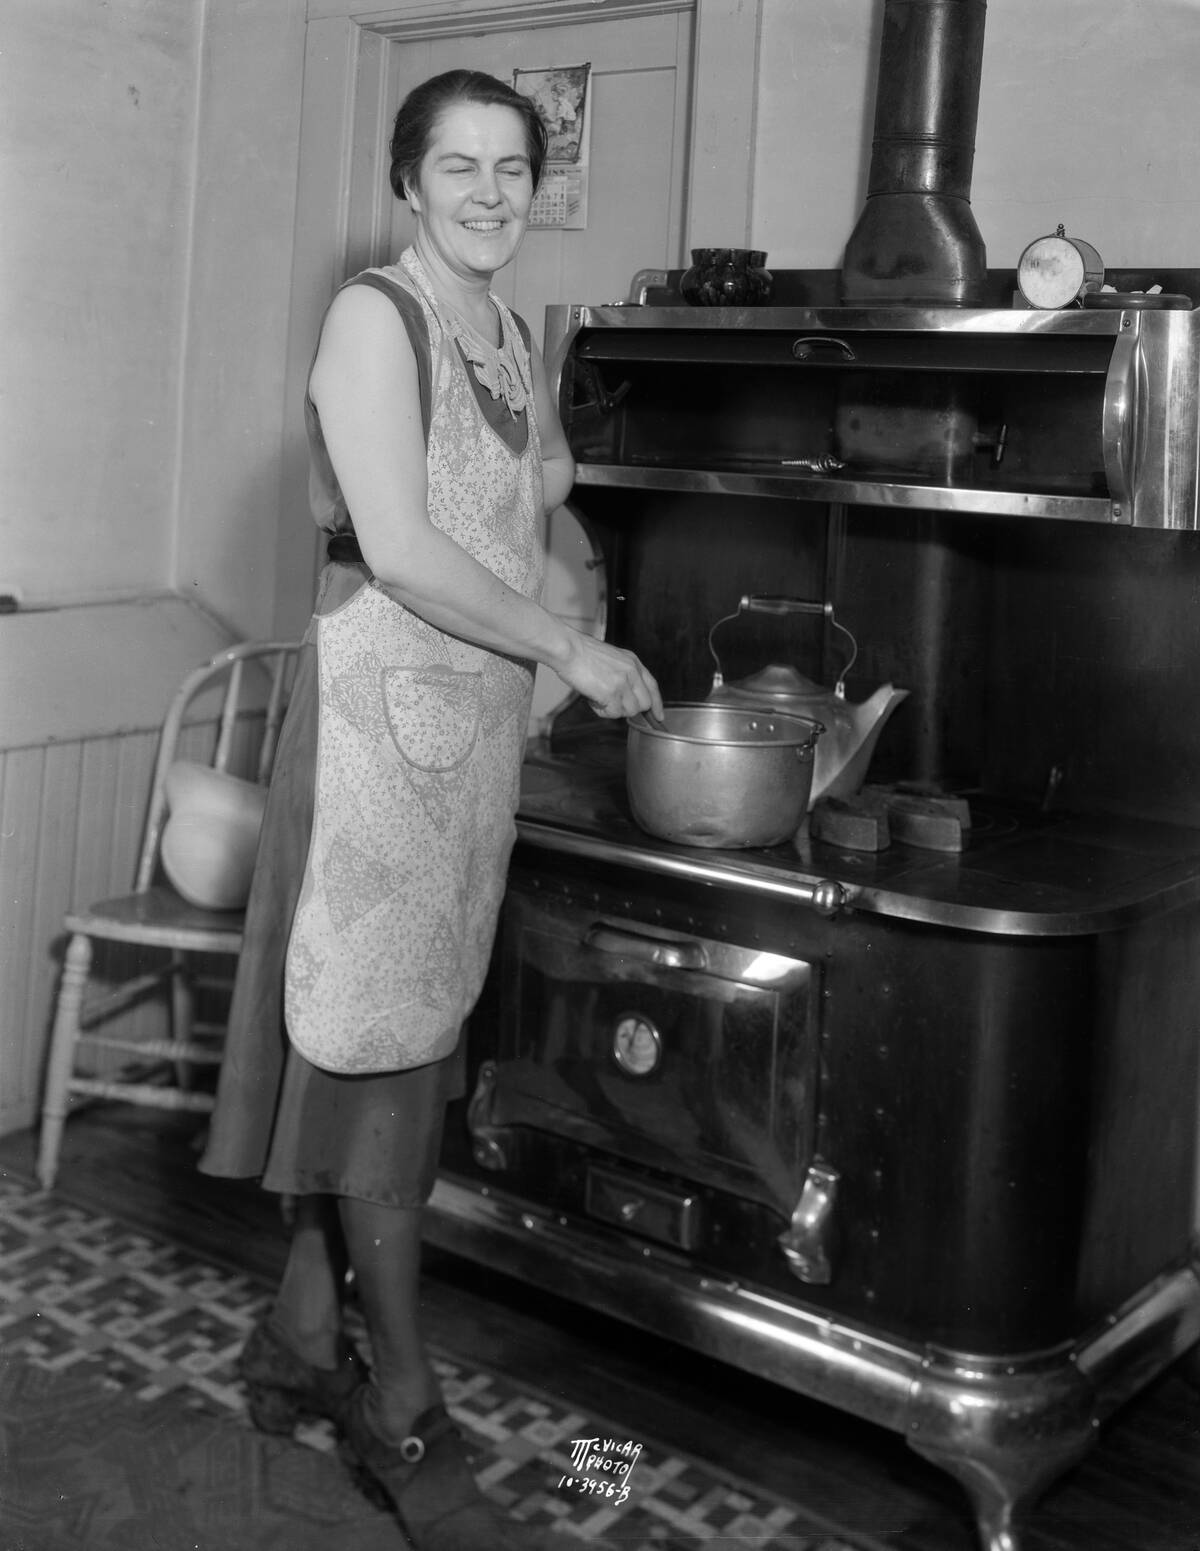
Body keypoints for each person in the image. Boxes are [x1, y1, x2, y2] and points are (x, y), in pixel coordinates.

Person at [199, 67, 662, 1551]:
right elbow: (399, 548)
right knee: (380, 1079)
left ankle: (294, 1341)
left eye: (511, 168)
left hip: (460, 755)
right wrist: (569, 645)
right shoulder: (372, 318)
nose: (486, 192)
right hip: (364, 752)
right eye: (455, 166)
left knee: (405, 1041)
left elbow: (535, 504)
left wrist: (575, 574)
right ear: (408, 183)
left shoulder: (512, 334)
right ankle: (401, 1409)